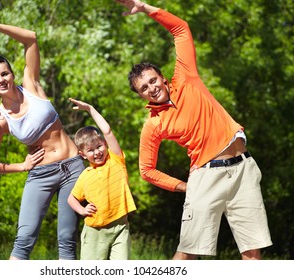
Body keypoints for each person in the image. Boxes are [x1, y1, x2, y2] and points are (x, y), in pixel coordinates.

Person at [113, 0, 272, 260]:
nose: (152, 88)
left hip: (244, 169)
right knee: (188, 254)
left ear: (162, 77)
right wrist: (183, 187)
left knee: (252, 254)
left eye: (153, 80)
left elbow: (181, 29)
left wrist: (145, 8)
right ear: (141, 95)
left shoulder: (186, 77)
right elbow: (146, 170)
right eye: (144, 88)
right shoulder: (154, 124)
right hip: (206, 177)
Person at [0, 22, 85, 260]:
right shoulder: (0, 120)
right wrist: (22, 166)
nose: (1, 79)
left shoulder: (32, 85)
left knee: (67, 239)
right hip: (40, 175)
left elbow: (31, 38)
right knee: (24, 239)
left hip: (73, 167)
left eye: (4, 73)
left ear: (12, 74)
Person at [67, 98, 137, 260]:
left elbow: (107, 131)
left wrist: (90, 109)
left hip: (120, 227)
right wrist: (82, 210)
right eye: (90, 150)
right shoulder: (85, 175)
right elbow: (71, 199)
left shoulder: (116, 160)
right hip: (95, 232)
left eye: (99, 146)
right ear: (82, 155)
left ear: (105, 145)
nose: (97, 152)